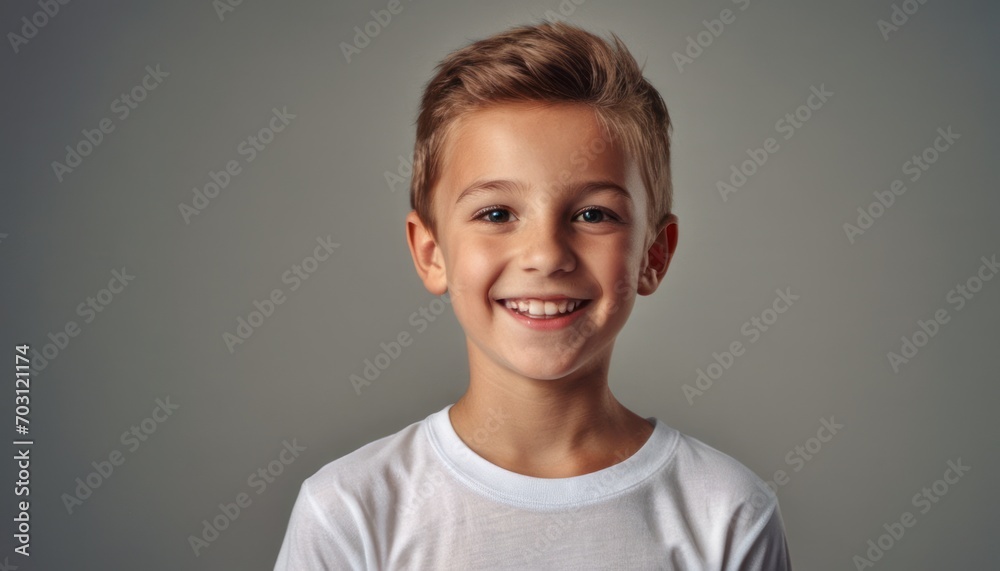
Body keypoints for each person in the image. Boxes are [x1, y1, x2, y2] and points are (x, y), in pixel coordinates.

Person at [274, 20, 792, 570]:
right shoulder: (350, 512)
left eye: (594, 214)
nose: (546, 254)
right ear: (432, 253)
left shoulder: (727, 513)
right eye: (496, 213)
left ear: (653, 255)